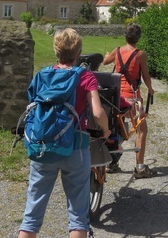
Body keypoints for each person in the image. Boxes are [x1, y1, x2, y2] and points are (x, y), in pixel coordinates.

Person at [19, 28, 111, 238]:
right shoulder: (85, 76)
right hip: (76, 147)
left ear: (56, 51)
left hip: (43, 145)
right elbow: (97, 112)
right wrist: (106, 130)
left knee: (32, 214)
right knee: (78, 216)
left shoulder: (42, 75)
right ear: (78, 52)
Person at [102, 22, 156, 179]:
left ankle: (111, 163)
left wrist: (107, 56)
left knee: (117, 129)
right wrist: (150, 88)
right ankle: (140, 167)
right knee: (141, 130)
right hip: (132, 99)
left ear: (125, 36)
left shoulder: (117, 51)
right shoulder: (140, 55)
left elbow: (105, 62)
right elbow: (145, 75)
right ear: (138, 38)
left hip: (117, 99)